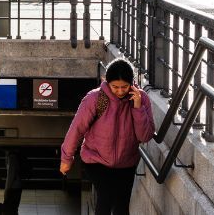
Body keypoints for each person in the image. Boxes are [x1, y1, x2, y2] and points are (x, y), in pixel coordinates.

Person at [59, 59, 155, 215]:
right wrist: (66, 159)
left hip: (126, 162)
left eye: (124, 87)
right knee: (106, 198)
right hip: (96, 160)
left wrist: (137, 108)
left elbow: (145, 136)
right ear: (107, 82)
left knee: (122, 206)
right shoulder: (96, 98)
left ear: (132, 83)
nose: (120, 91)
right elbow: (76, 129)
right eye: (115, 87)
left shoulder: (141, 98)